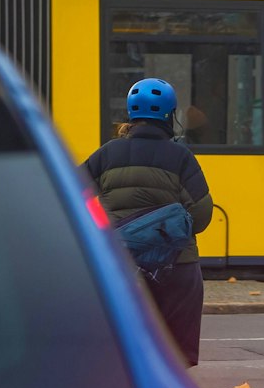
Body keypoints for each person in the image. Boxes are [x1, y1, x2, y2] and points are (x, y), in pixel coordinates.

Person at [85, 77, 216, 367]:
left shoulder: (107, 153)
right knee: (176, 341)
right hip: (173, 266)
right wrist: (166, 232)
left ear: (132, 115)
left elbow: (72, 195)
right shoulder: (181, 156)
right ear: (170, 116)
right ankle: (174, 374)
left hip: (120, 262)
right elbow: (203, 214)